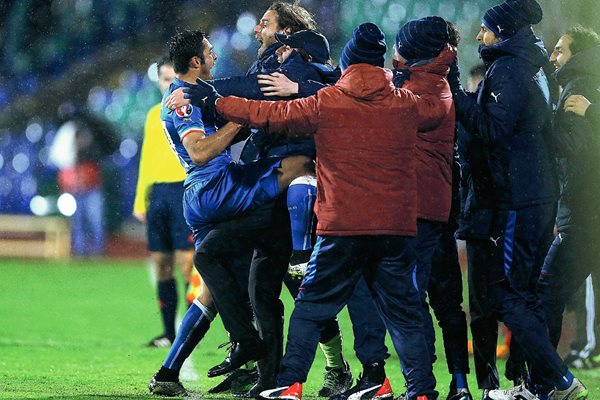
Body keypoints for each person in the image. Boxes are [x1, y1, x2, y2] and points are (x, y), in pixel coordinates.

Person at [188, 22, 449, 400]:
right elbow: (438, 107)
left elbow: (267, 115)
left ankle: (289, 382)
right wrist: (433, 67)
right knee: (406, 313)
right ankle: (422, 390)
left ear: (347, 63)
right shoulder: (406, 104)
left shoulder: (328, 102)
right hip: (395, 227)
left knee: (310, 307)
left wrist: (215, 102)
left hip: (343, 225)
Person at [147, 29, 313, 397]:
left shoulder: (191, 96)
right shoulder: (184, 99)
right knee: (301, 163)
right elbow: (201, 151)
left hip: (203, 195)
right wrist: (244, 119)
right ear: (196, 62)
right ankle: (301, 254)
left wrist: (245, 122)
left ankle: (168, 373)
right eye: (209, 51)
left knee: (211, 291)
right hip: (215, 186)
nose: (215, 56)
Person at [448, 0, 588, 399]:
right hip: (539, 193)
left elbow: (493, 128)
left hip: (519, 196)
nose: (480, 36)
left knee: (507, 294)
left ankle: (558, 381)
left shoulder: (508, 68)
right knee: (525, 295)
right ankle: (537, 384)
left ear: (503, 32)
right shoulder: (535, 64)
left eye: (487, 29)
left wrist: (457, 95)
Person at [533, 25, 600, 394]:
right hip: (583, 214)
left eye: (560, 51)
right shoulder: (581, 86)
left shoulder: (582, 90)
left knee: (547, 292)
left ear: (579, 55)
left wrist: (544, 125)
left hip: (586, 217)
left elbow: (580, 153)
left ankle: (548, 382)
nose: (554, 57)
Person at [133, 56, 194, 348]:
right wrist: (140, 199)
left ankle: (193, 329)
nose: (169, 84)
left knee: (187, 264)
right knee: (162, 264)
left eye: (173, 78)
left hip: (184, 190)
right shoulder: (152, 115)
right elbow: (146, 159)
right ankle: (168, 333)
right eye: (165, 79)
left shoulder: (191, 112)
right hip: (157, 195)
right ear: (158, 80)